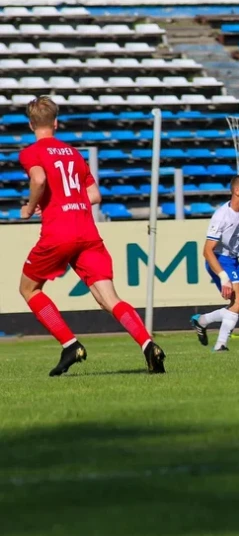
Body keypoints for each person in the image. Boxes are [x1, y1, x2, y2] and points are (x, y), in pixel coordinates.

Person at [17, 96, 166, 376]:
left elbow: (38, 179)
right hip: (87, 231)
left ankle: (69, 344)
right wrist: (68, 200)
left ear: (30, 124)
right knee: (109, 299)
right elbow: (95, 195)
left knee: (29, 289)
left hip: (58, 233)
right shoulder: (73, 153)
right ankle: (148, 344)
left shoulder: (31, 152)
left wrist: (30, 206)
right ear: (56, 123)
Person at [191, 175, 239, 352]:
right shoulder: (221, 217)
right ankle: (221, 345)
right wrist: (223, 277)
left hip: (234, 261)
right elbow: (207, 251)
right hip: (219, 259)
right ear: (237, 191)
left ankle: (202, 320)